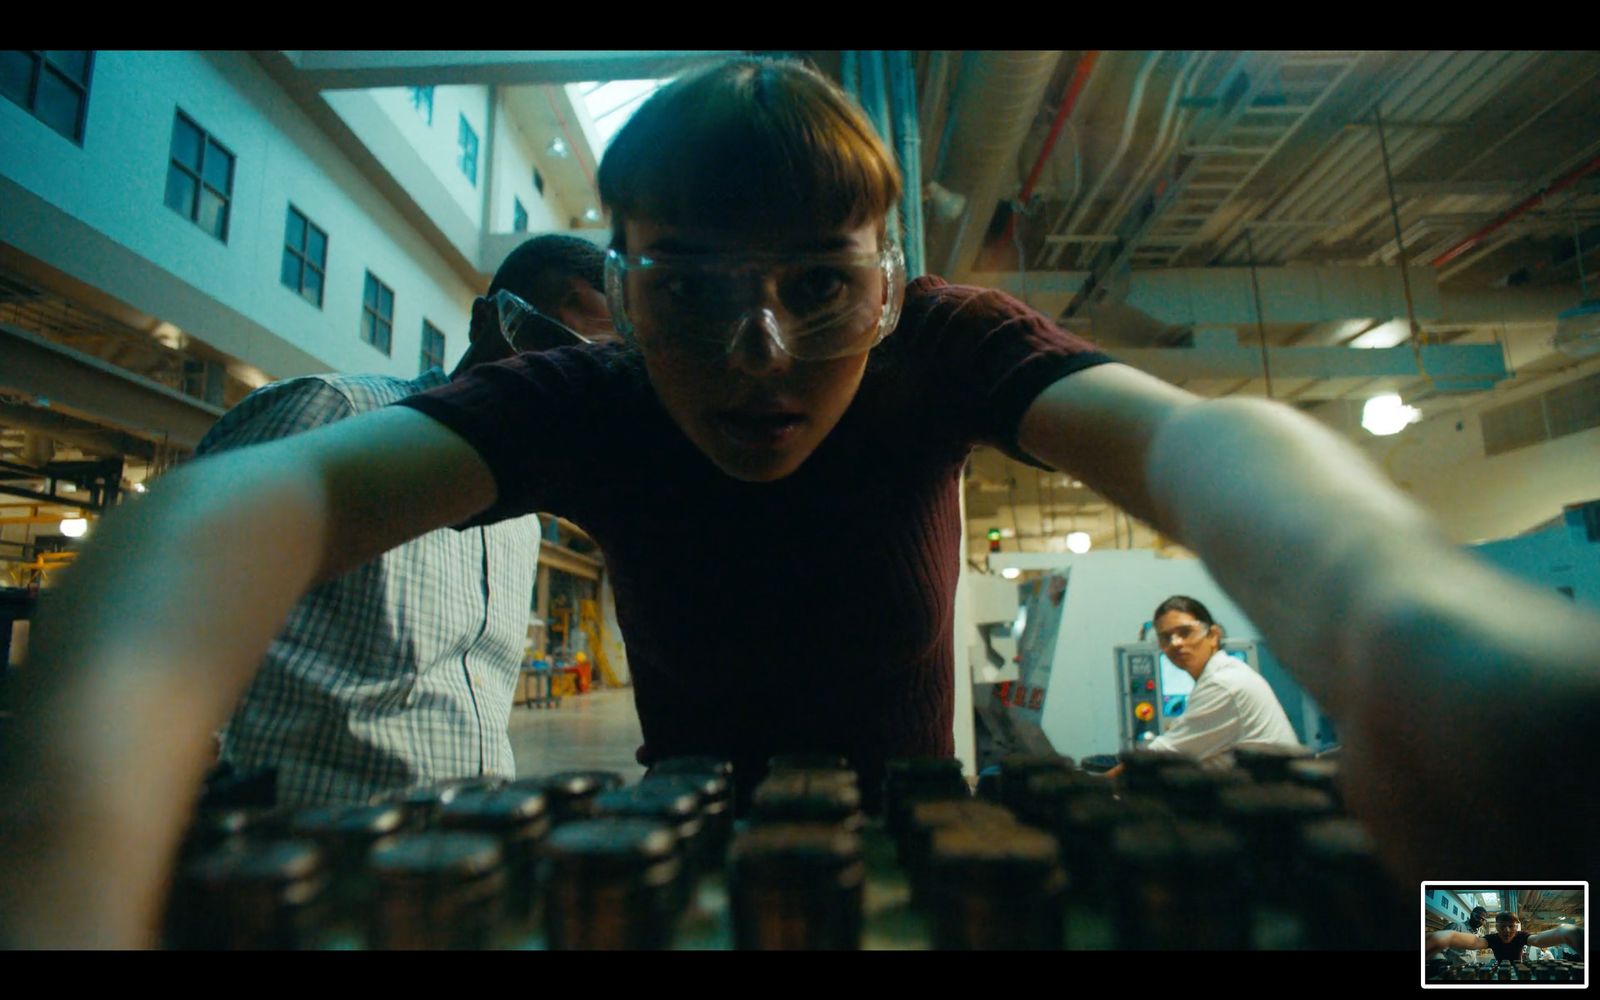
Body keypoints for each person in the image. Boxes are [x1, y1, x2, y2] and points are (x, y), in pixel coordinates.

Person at [3, 56, 1598, 948]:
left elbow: (1190, 444)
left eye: (819, 291)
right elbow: (252, 509)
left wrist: (1401, 615)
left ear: (888, 288)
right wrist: (70, 848)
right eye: (689, 291)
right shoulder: (589, 395)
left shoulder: (945, 348)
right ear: (618, 296)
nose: (757, 354)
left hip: (935, 836)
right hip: (683, 854)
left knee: (1521, 959)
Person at [191, 233, 616, 807]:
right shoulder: (335, 417)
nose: (551, 379)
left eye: (584, 367)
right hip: (308, 845)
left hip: (455, 856)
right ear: (481, 321)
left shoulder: (519, 519)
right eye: (542, 342)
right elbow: (164, 619)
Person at [1138, 596, 1302, 765]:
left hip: (1268, 788)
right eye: (1166, 637)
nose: (1175, 643)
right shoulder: (1221, 674)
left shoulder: (1223, 683)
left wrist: (1109, 782)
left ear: (1214, 635)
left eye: (1186, 632)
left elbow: (1163, 756)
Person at [1426, 911, 1583, 963]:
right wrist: (1448, 936)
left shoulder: (1521, 936)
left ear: (1517, 927)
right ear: (1497, 927)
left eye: (1511, 926)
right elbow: (1475, 942)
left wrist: (1564, 931)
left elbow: (1538, 940)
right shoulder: (1493, 939)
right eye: (1502, 926)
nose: (1507, 931)